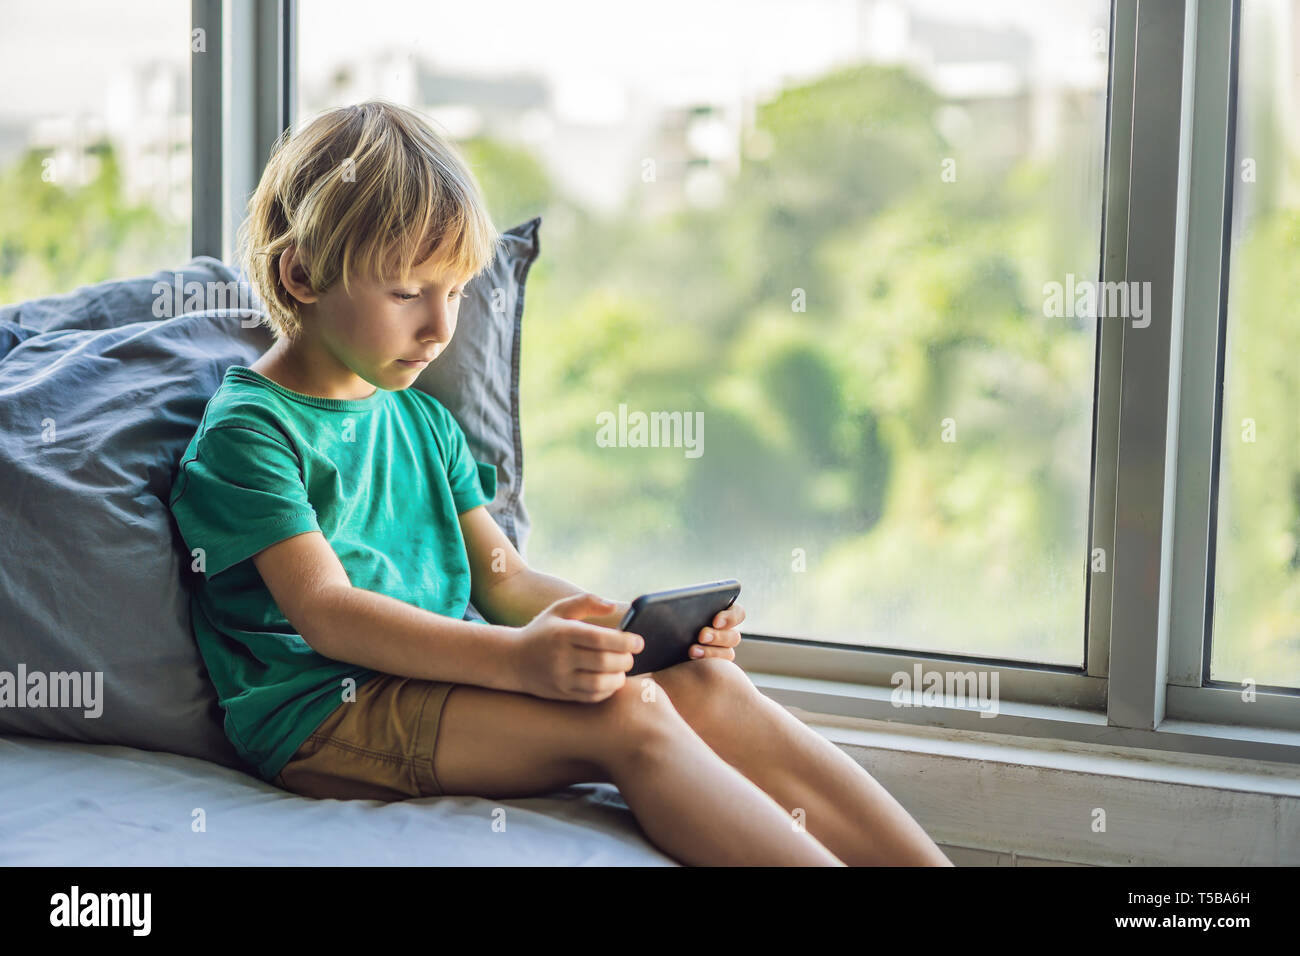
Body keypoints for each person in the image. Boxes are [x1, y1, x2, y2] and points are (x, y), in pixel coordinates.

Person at [168, 100, 952, 867]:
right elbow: (331, 615)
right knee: (630, 717)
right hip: (326, 718)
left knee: (706, 686)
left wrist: (631, 632)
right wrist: (515, 662)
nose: (440, 328)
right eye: (408, 292)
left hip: (436, 686)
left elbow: (505, 582)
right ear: (301, 274)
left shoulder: (420, 422)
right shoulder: (250, 431)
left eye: (456, 290)